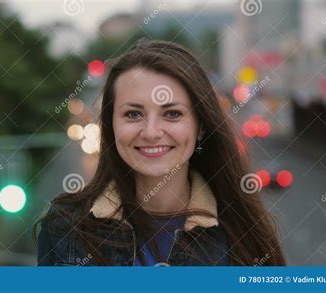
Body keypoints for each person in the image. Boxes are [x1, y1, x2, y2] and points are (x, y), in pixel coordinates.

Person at [36, 39, 286, 266]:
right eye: (133, 114)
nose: (151, 132)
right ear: (111, 125)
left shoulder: (245, 235)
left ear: (200, 126)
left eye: (172, 114)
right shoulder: (64, 228)